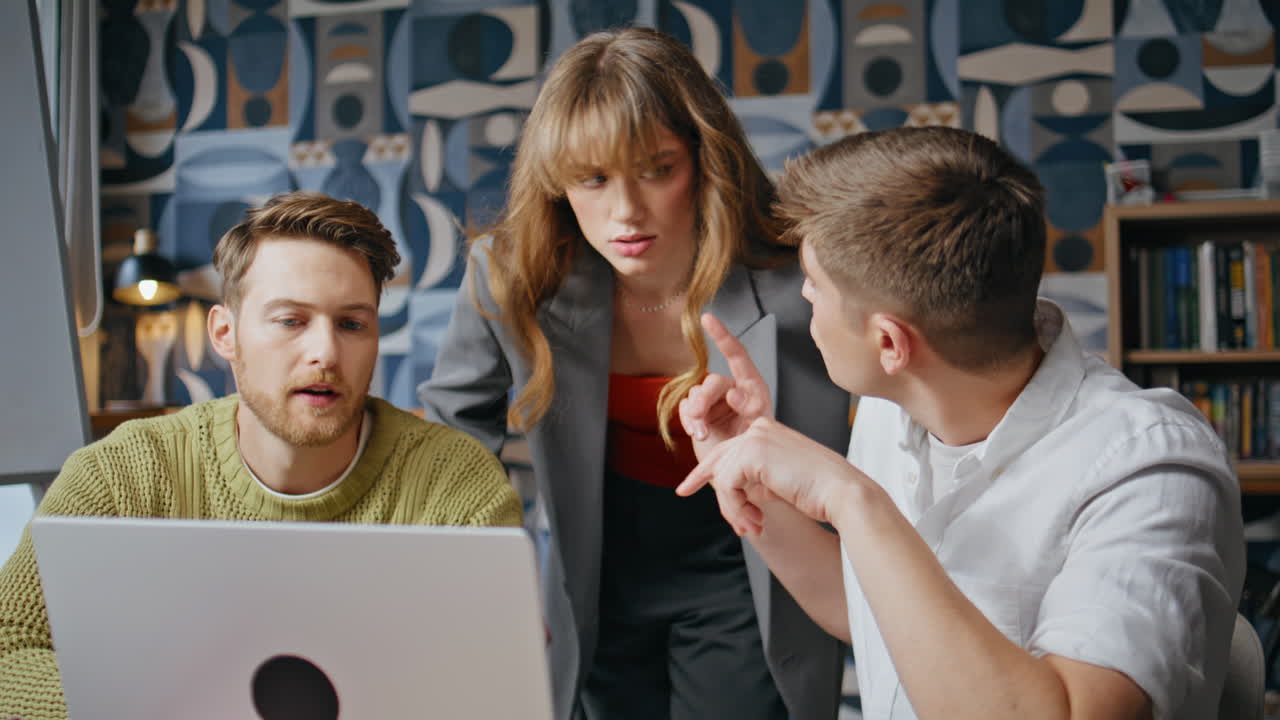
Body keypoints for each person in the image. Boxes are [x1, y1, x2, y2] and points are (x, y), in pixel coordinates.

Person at [676, 126, 1245, 720]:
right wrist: (749, 477)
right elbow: (866, 611)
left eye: (813, 286)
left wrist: (852, 501)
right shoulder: (889, 408)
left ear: (890, 343)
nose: (805, 301)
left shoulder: (1150, 467)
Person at [418, 26, 850, 720]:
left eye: (657, 169)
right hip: (594, 577)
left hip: (745, 570)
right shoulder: (508, 275)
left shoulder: (800, 277)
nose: (626, 212)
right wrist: (484, 589)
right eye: (593, 178)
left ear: (705, 160)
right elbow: (449, 443)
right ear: (558, 179)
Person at [0, 191, 522, 720]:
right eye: (291, 321)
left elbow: (495, 690)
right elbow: (9, 645)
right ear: (226, 334)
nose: (325, 352)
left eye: (351, 324)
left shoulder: (456, 486)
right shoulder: (121, 474)